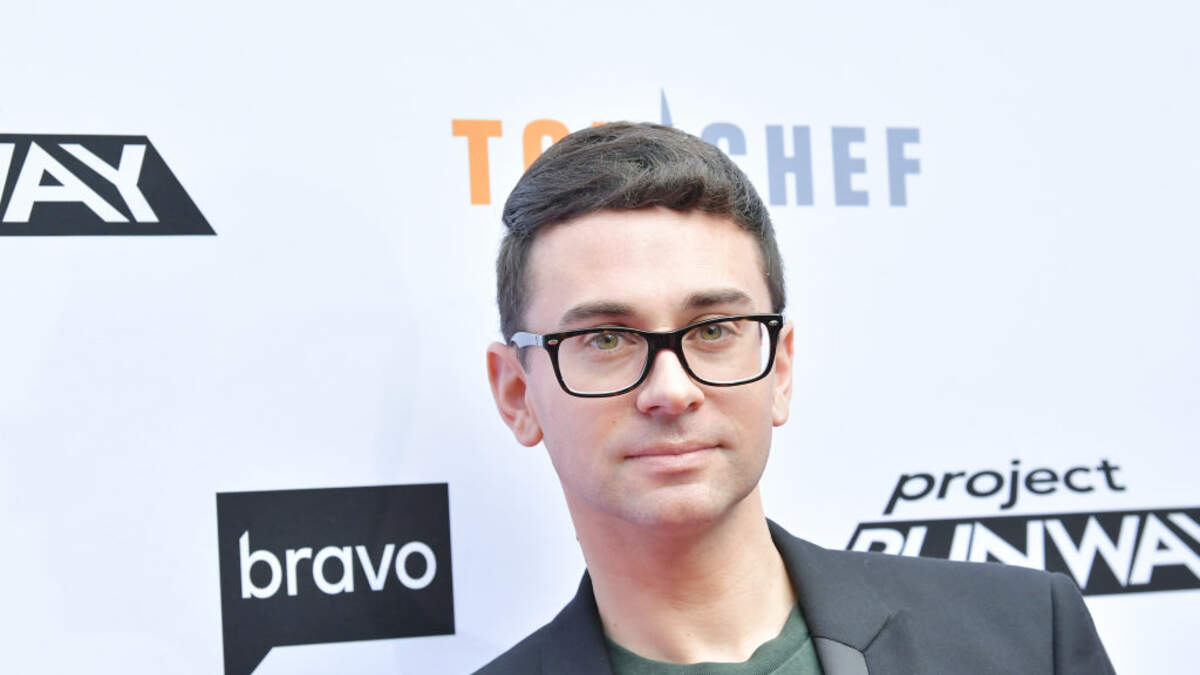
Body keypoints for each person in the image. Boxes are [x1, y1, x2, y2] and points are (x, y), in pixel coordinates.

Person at [478, 122, 1114, 674]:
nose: (671, 390)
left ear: (779, 371)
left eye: (714, 331)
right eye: (606, 338)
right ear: (517, 394)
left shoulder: (1027, 635)